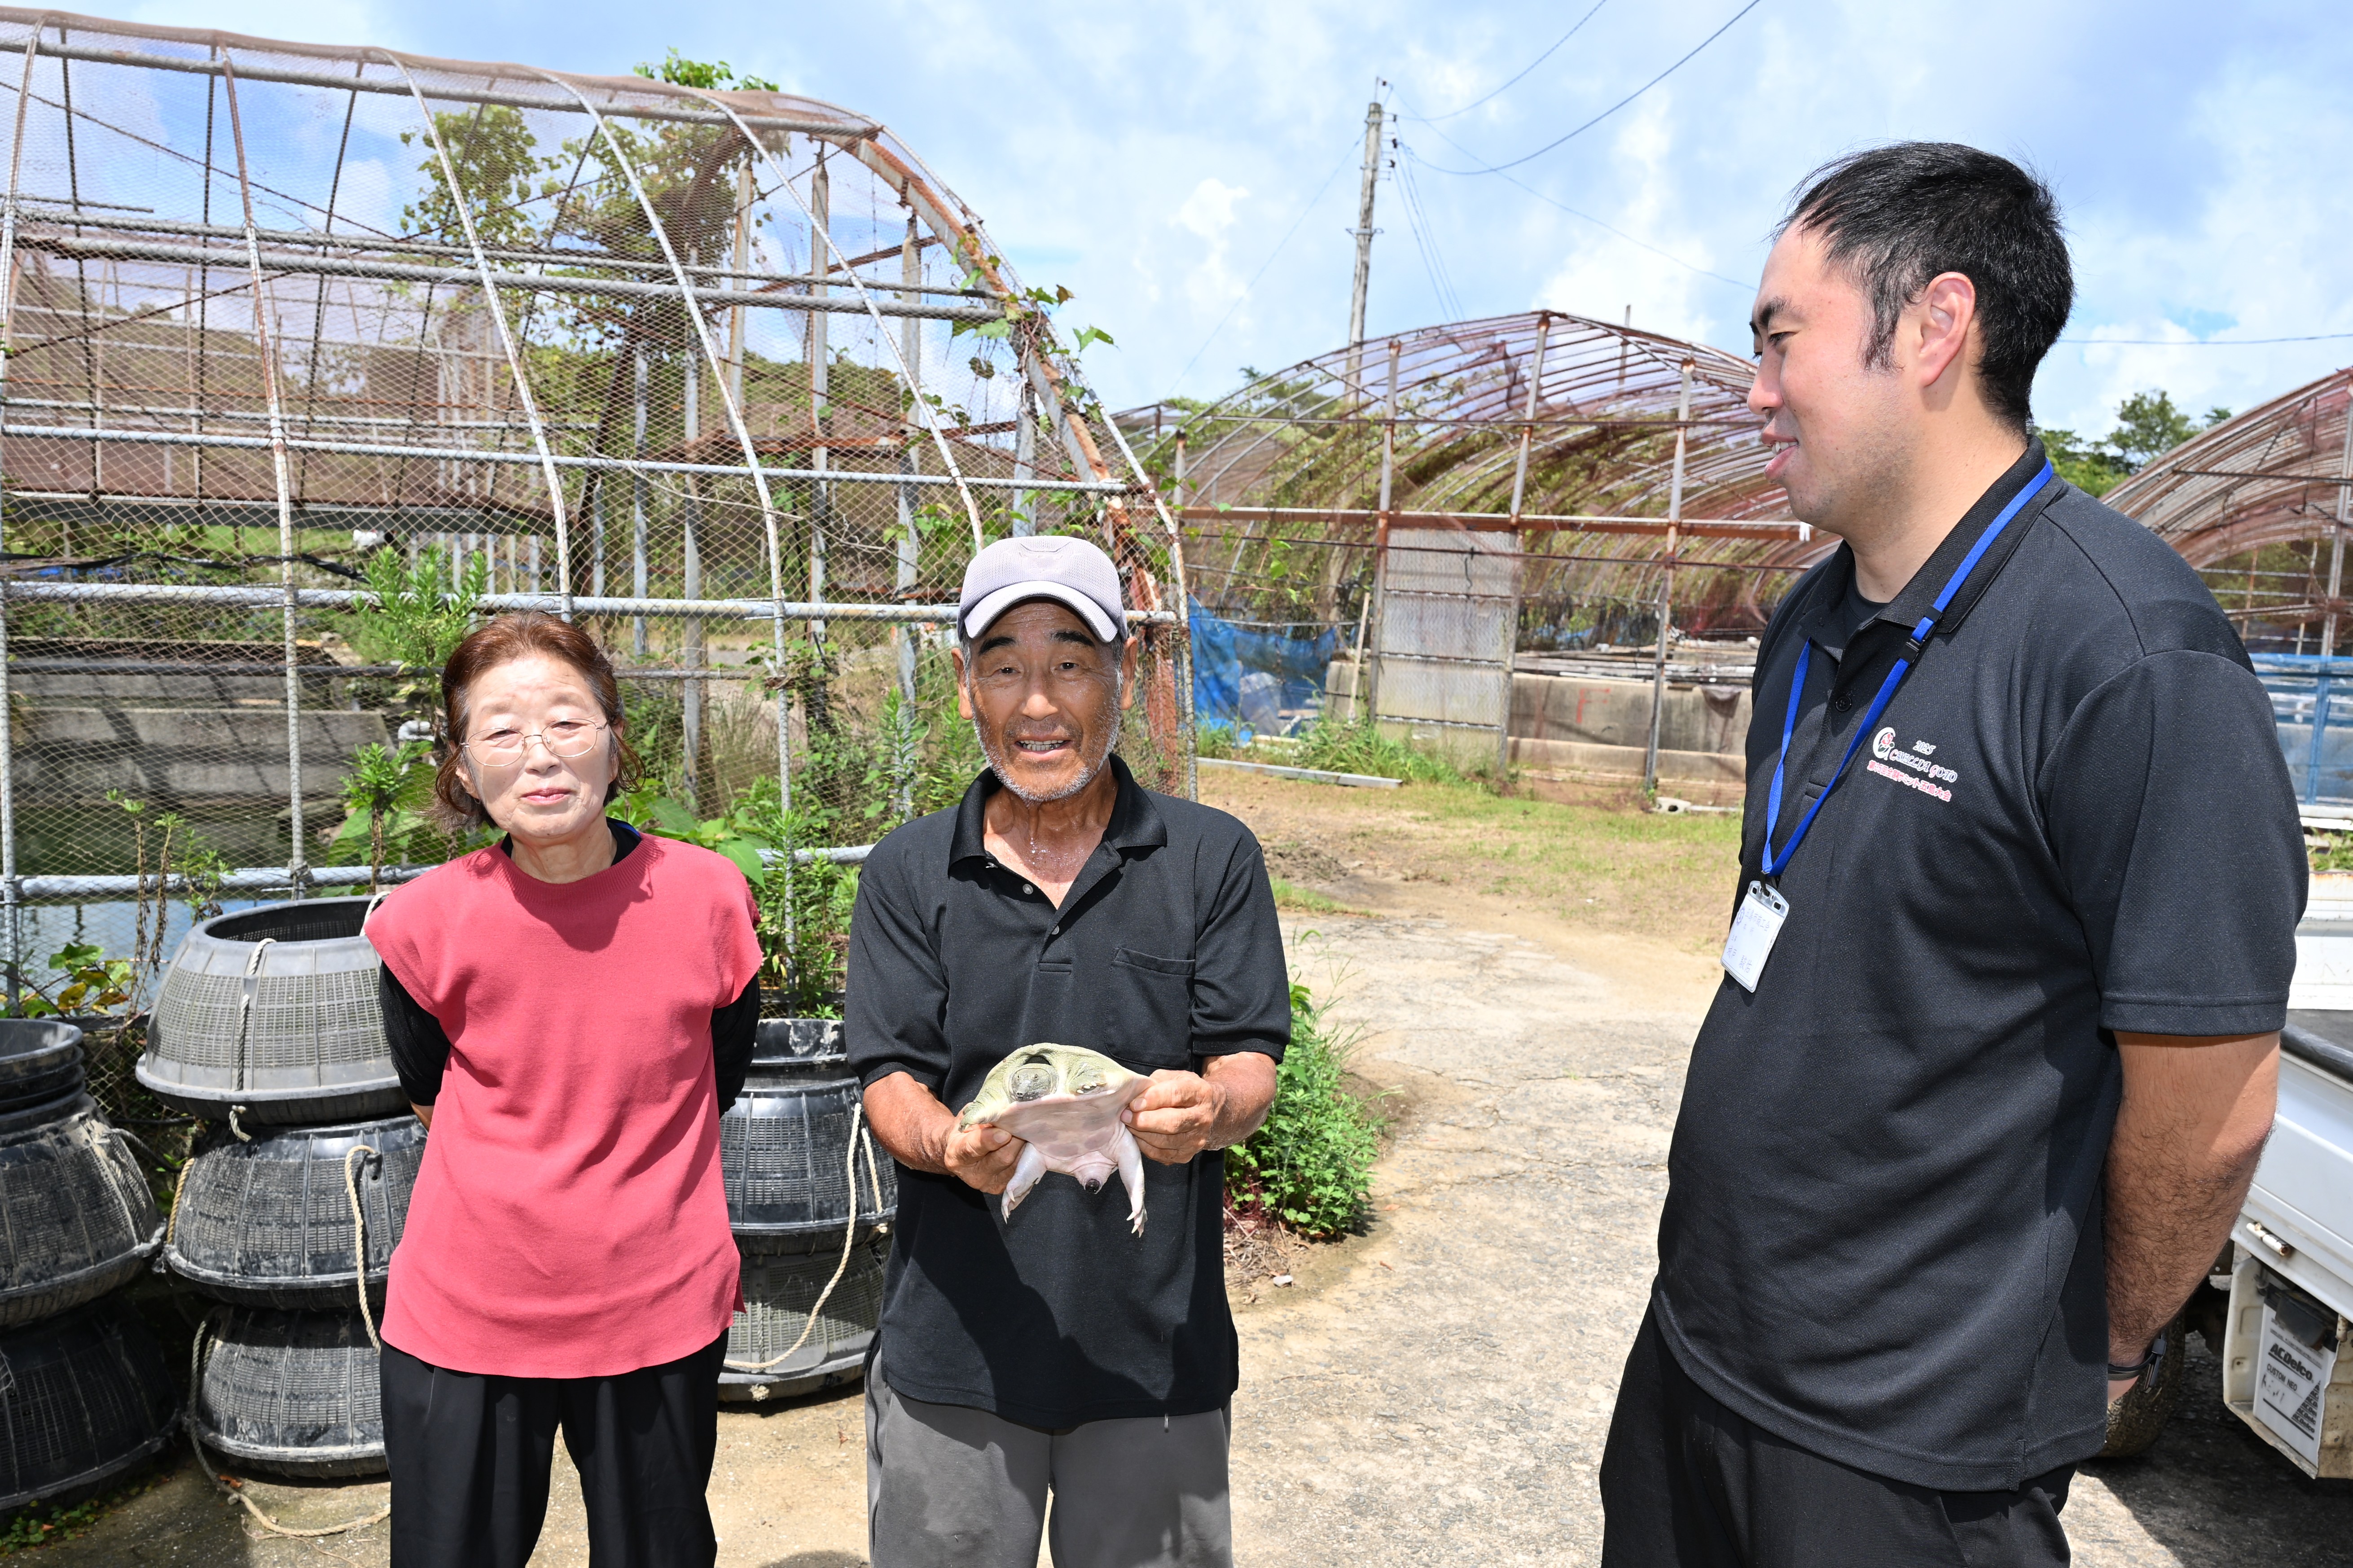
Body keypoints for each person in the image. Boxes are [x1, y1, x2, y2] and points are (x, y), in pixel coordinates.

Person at [1599, 144, 2305, 1565]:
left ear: (1932, 328)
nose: (1752, 388)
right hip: (1698, 1355)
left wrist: (2100, 1345)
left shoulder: (2128, 656)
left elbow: (2214, 1098)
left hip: (1909, 1455)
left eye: (1778, 338)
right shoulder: (1812, 622)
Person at [847, 534, 1289, 1568]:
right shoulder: (910, 871)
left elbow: (1248, 1061)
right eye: (1003, 664)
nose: (1036, 701)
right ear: (965, 687)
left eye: (1068, 662)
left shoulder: (1208, 855)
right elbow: (890, 1080)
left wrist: (1211, 1111)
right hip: (955, 1359)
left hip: (1153, 1361)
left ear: (1120, 678)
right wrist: (947, 1143)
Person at [367, 612, 764, 1568]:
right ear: (462, 768)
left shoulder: (709, 897)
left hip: (656, 1301)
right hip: (468, 1309)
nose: (538, 756)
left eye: (566, 723)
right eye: (500, 730)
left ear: (615, 742)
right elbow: (428, 1090)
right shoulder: (423, 923)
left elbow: (715, 1080)